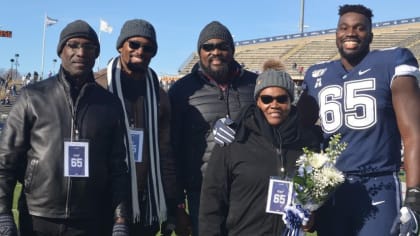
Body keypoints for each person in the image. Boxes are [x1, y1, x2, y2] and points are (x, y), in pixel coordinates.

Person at [298, 4, 420, 236]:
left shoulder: (391, 62)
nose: (350, 33)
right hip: (331, 188)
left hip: (378, 184)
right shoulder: (317, 75)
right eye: (343, 28)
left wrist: (414, 196)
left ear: (371, 35)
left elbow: (414, 134)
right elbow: (296, 130)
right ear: (336, 34)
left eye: (359, 28)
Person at [0, 20, 130, 235]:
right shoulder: (32, 97)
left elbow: (118, 168)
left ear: (96, 54)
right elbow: (6, 160)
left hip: (91, 219)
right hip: (38, 216)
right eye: (73, 45)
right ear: (61, 50)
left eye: (89, 47)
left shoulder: (109, 104)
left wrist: (120, 218)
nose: (81, 52)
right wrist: (3, 213)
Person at [199, 69, 322, 235]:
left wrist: (312, 218)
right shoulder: (234, 139)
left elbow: (314, 199)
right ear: (257, 101)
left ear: (291, 101)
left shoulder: (307, 144)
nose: (274, 105)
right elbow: (211, 201)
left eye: (281, 99)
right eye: (266, 99)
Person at [168, 21, 258, 236]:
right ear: (199, 52)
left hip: (248, 189)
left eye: (222, 46)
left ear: (232, 50)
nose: (216, 52)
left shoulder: (255, 84)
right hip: (202, 190)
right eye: (208, 47)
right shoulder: (182, 90)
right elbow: (173, 149)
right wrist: (178, 205)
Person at [95, 19, 177, 236]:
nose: (140, 51)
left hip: (145, 200)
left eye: (148, 47)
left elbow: (165, 152)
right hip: (103, 199)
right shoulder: (97, 85)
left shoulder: (160, 96)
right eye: (134, 44)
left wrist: (171, 203)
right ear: (121, 46)